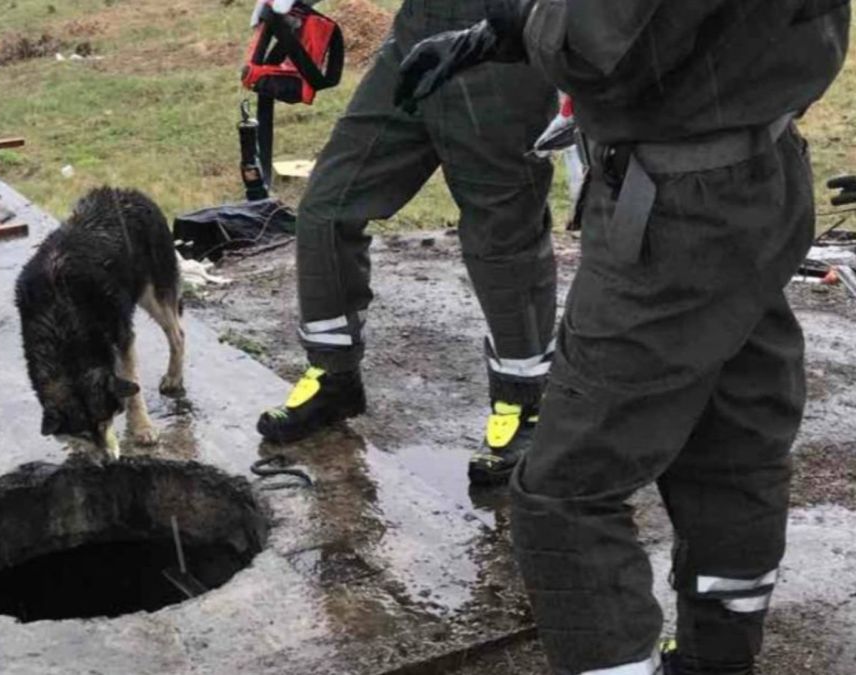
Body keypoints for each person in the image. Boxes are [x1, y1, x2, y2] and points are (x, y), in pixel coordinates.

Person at [396, 1, 849, 673]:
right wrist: (506, 33)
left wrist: (523, 19)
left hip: (682, 201)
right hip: (761, 165)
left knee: (563, 494)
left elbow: (596, 43)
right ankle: (715, 659)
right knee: (730, 443)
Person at [255, 0, 559, 487]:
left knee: (502, 237)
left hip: (503, 49)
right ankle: (334, 378)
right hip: (416, 36)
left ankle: (524, 405)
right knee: (327, 207)